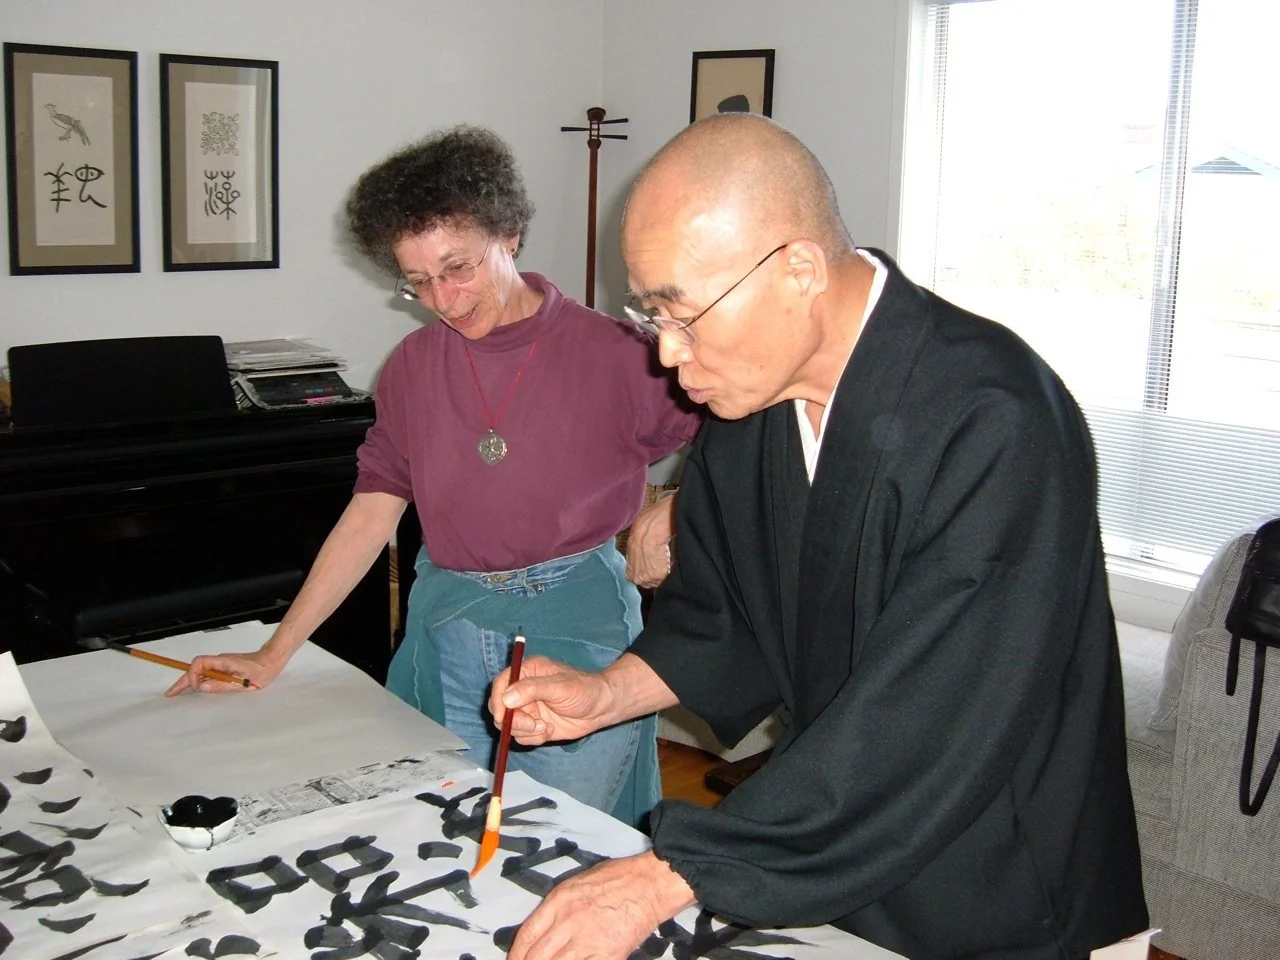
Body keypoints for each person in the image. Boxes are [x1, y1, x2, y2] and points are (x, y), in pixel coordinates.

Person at [491, 114, 1149, 960]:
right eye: (650, 314)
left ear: (797, 268)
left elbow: (932, 717)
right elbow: (730, 615)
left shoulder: (995, 418)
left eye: (682, 312)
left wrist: (670, 875)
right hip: (831, 845)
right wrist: (606, 693)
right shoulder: (750, 398)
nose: (665, 352)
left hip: (997, 873)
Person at [167, 126, 701, 828]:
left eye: (458, 267)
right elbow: (369, 515)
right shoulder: (414, 366)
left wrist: (679, 510)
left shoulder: (620, 355)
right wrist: (276, 651)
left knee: (554, 846)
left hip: (576, 627)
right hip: (447, 623)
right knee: (439, 832)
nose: (444, 299)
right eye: (418, 281)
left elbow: (752, 429)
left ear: (508, 235)